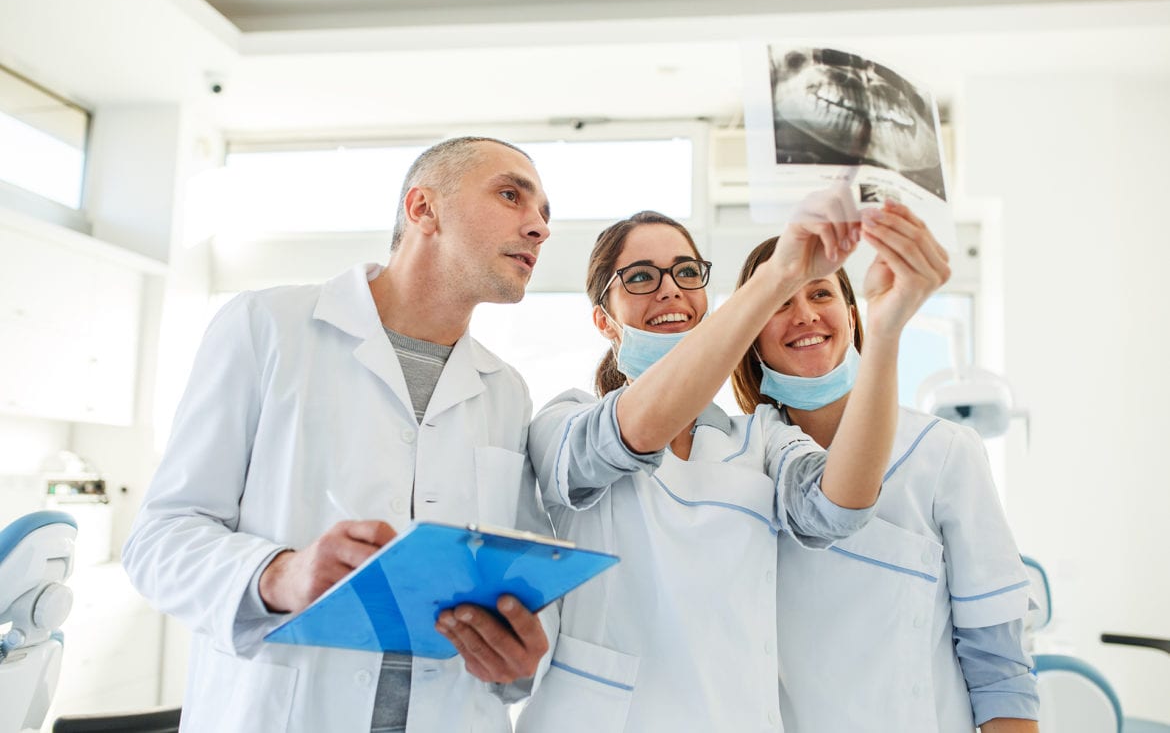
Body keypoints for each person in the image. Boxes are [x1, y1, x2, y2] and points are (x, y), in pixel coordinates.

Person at [122, 137, 556, 733]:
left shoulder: (506, 390)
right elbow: (160, 538)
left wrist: (515, 659)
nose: (539, 228)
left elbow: (511, 580)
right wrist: (281, 573)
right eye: (512, 196)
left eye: (545, 215)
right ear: (422, 208)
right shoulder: (266, 328)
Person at [517, 194, 946, 732]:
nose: (670, 287)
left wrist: (884, 334)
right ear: (604, 321)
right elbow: (634, 432)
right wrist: (777, 275)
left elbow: (840, 508)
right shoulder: (563, 421)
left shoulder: (759, 437)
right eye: (642, 277)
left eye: (686, 272)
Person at [731, 203, 1039, 732]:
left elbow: (1000, 670)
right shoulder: (739, 464)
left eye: (821, 293)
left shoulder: (942, 452)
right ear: (749, 339)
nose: (804, 314)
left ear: (853, 317)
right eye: (779, 302)